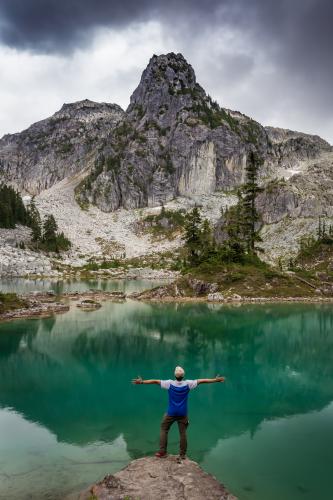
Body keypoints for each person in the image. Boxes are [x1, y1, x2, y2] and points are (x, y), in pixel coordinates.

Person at [132, 366, 225, 460]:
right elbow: (202, 381)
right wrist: (215, 380)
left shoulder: (169, 383)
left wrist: (142, 382)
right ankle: (182, 455)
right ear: (183, 375)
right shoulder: (188, 384)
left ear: (174, 375)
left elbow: (155, 381)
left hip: (171, 412)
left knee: (164, 429)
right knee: (183, 433)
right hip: (183, 413)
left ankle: (162, 452)